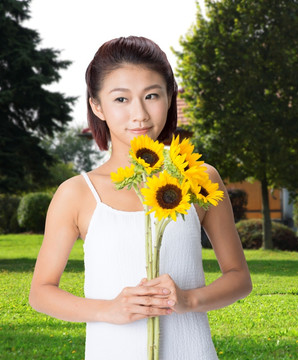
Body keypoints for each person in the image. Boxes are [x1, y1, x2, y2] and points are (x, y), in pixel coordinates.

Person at [29, 36, 252, 360]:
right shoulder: (77, 193)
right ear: (97, 105)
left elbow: (239, 278)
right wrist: (110, 310)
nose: (140, 114)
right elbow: (41, 292)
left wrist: (190, 300)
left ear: (169, 96)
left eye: (151, 95)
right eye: (121, 99)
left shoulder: (199, 178)